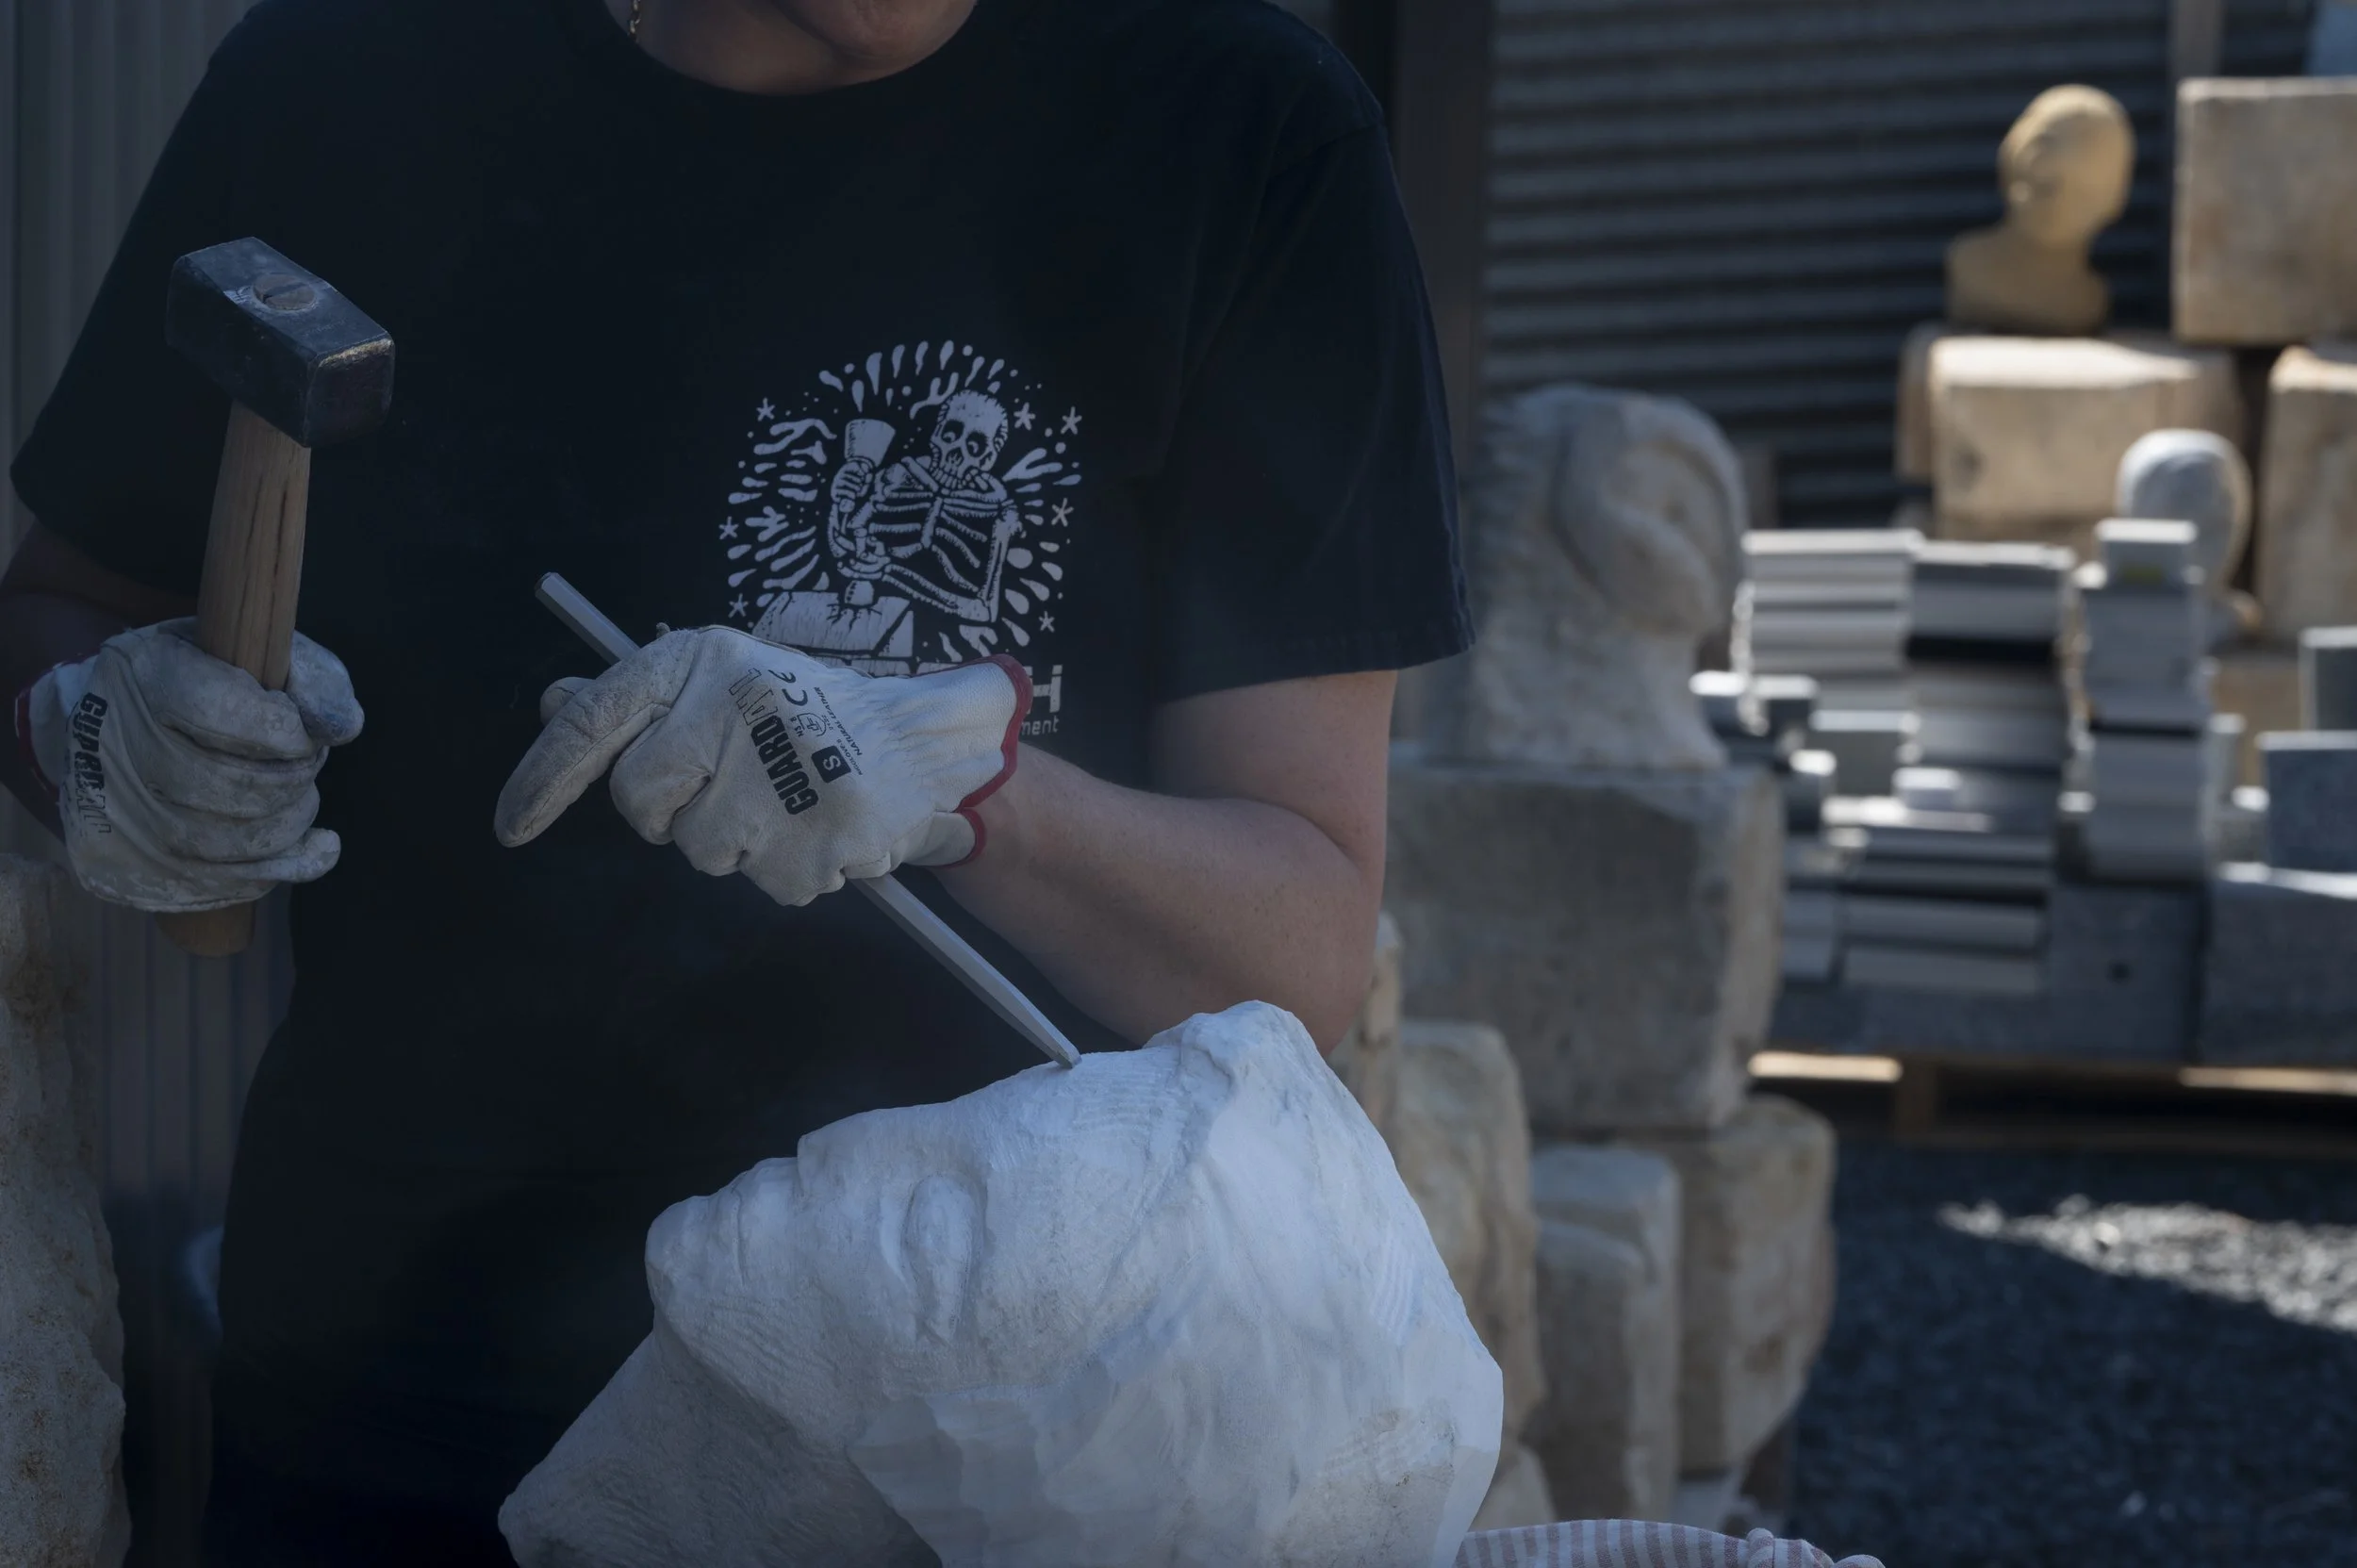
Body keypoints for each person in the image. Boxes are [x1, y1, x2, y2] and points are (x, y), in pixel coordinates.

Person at [0, 0, 1469, 1559]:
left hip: (996, 1453)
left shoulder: (1239, 127)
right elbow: (55, 611)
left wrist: (964, 790)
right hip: (397, 1409)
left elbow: (1296, 938)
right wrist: (93, 740)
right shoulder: (337, 82)